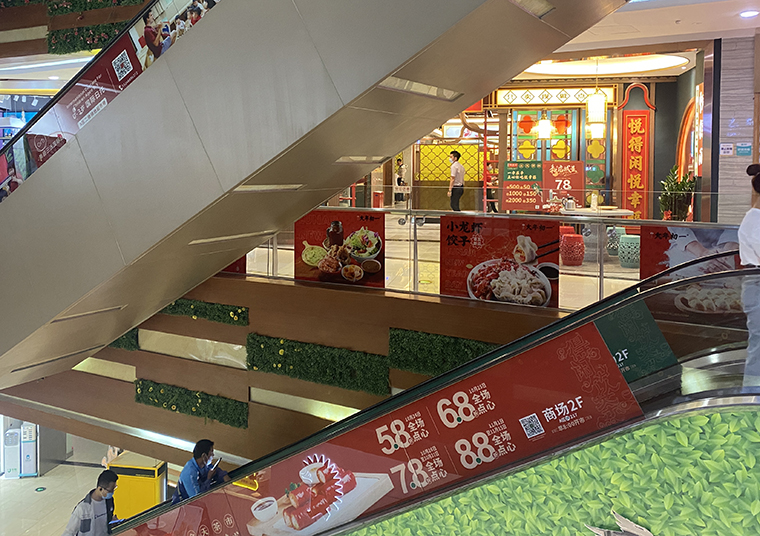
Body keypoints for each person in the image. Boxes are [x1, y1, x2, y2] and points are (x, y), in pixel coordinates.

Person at [741, 164, 760, 387]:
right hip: (756, 283)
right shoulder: (755, 219)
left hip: (754, 282)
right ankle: (752, 394)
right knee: (758, 344)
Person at [172, 439, 230, 504]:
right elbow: (197, 499)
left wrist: (226, 479)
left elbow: (216, 470)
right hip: (185, 506)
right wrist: (208, 478)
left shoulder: (204, 464)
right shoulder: (189, 473)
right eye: (211, 452)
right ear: (204, 456)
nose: (213, 455)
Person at [62, 470, 118, 536]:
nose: (112, 492)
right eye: (110, 490)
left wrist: (112, 521)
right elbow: (69, 532)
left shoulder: (109, 502)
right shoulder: (82, 508)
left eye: (114, 489)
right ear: (100, 489)